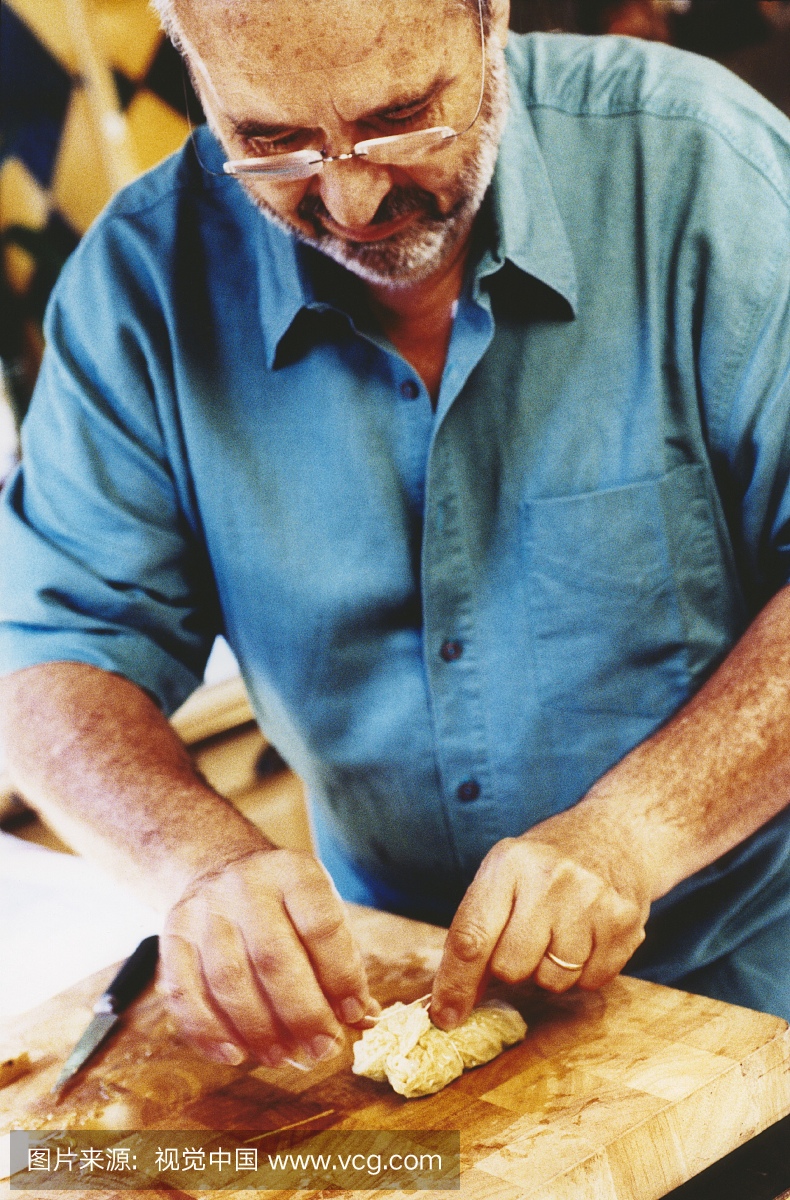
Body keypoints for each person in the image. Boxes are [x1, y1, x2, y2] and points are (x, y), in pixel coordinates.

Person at [1, 0, 790, 1072]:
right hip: (388, 993)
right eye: (270, 143)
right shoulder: (140, 283)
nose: (352, 196)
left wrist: (634, 829)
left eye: (402, 119)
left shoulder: (707, 171)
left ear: (487, 22)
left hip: (754, 978)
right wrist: (189, 861)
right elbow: (50, 652)